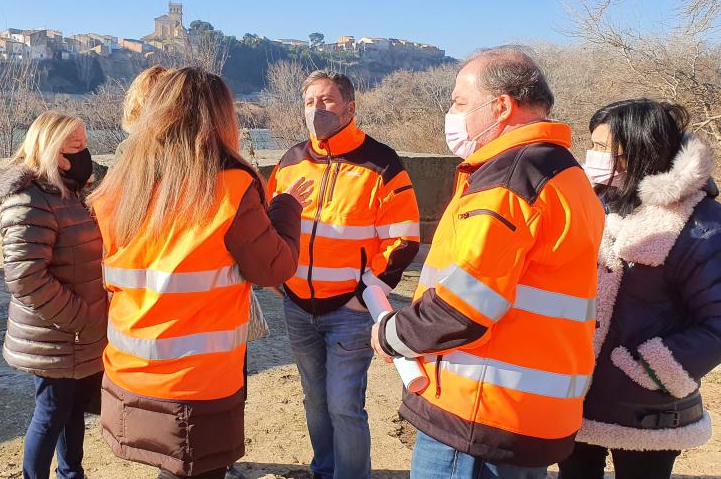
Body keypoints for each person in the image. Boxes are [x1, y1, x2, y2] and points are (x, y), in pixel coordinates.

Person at [370, 47, 605, 478]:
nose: (452, 113)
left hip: (478, 412)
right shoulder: (565, 174)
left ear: (500, 106)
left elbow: (464, 306)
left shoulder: (509, 179)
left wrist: (391, 334)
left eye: (459, 102)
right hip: (528, 410)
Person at [87, 66, 313, 479]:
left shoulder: (118, 187)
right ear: (221, 119)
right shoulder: (229, 186)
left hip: (129, 373)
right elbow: (274, 267)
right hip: (197, 387)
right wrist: (285, 207)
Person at [265, 70, 420, 479]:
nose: (317, 109)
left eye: (327, 101)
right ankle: (323, 469)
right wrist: (280, 279)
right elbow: (270, 224)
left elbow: (403, 239)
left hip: (349, 310)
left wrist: (368, 290)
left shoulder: (381, 162)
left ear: (350, 107)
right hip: (296, 305)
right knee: (314, 399)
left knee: (344, 405)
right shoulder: (290, 160)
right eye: (309, 102)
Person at [556, 99, 721, 479]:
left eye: (602, 148)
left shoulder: (702, 226)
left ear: (640, 152)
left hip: (650, 405)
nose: (592, 156)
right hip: (575, 393)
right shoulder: (594, 201)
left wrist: (654, 369)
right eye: (592, 145)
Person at [0, 111, 107, 479]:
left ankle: (71, 474)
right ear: (49, 147)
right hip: (55, 333)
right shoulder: (28, 199)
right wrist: (82, 316)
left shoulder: (69, 193)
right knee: (50, 414)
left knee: (70, 412)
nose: (83, 151)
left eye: (85, 142)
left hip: (78, 334)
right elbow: (26, 278)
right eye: (74, 144)